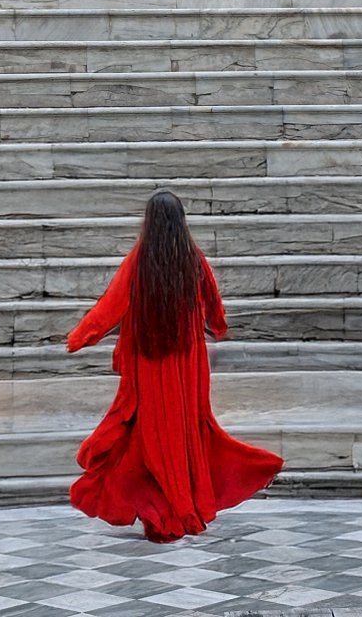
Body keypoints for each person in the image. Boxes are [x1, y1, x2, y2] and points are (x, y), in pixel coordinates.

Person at [65, 189, 283, 543]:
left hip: (149, 363)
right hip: (187, 363)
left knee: (152, 435)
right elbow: (213, 302)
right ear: (181, 222)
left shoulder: (138, 261)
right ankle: (184, 503)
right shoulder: (193, 260)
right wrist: (219, 327)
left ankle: (165, 504)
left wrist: (79, 337)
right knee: (187, 432)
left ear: (149, 223)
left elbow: (109, 307)